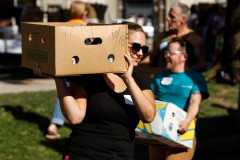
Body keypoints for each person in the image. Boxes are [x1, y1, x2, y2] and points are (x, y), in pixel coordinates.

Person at [33, 22, 156, 159]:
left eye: (144, 49)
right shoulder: (89, 76)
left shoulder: (139, 84)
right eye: (135, 47)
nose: (140, 53)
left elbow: (148, 116)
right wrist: (58, 79)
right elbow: (74, 117)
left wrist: (128, 79)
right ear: (117, 44)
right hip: (82, 155)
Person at [149, 37, 209, 160]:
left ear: (184, 57)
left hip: (182, 133)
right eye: (166, 52)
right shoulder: (160, 76)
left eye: (171, 53)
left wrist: (187, 121)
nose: (166, 56)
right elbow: (150, 99)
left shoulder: (195, 78)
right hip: (158, 133)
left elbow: (195, 102)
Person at [45, 0, 88, 140]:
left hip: (65, 63)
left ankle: (55, 124)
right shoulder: (85, 26)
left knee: (63, 92)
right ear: (84, 12)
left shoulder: (65, 25)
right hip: (80, 65)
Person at [141, 2, 206, 72]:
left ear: (183, 19)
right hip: (161, 79)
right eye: (168, 16)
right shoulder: (162, 37)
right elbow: (152, 58)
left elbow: (202, 64)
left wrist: (183, 73)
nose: (168, 19)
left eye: (172, 17)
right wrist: (137, 67)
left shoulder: (194, 39)